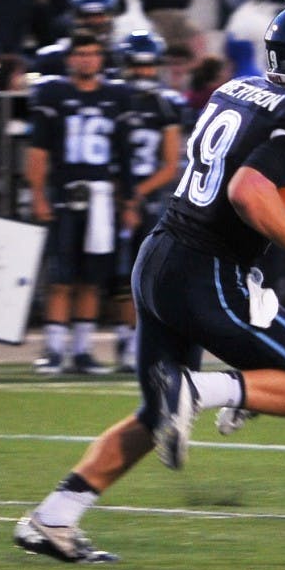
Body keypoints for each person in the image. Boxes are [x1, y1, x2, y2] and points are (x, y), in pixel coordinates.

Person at [12, 0, 285, 561]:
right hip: (209, 271)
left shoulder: (238, 88)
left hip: (161, 258)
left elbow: (256, 186)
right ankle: (209, 391)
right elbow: (248, 192)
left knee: (158, 412)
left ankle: (53, 517)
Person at [26, 32, 135, 376]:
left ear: (101, 58)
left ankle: (83, 350)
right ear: (70, 58)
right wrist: (39, 193)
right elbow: (38, 150)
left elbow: (124, 156)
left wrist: (128, 200)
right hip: (65, 193)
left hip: (102, 199)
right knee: (61, 276)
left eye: (93, 53)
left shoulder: (117, 96)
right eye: (81, 53)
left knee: (92, 277)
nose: (87, 59)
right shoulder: (53, 94)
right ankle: (55, 350)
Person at [109, 29, 185, 372]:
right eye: (136, 66)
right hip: (113, 196)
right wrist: (120, 194)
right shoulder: (112, 99)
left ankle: (139, 343)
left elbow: (170, 165)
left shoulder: (164, 104)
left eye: (147, 66)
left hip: (149, 197)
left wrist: (134, 195)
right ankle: (123, 341)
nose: (142, 73)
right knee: (117, 274)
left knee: (145, 275)